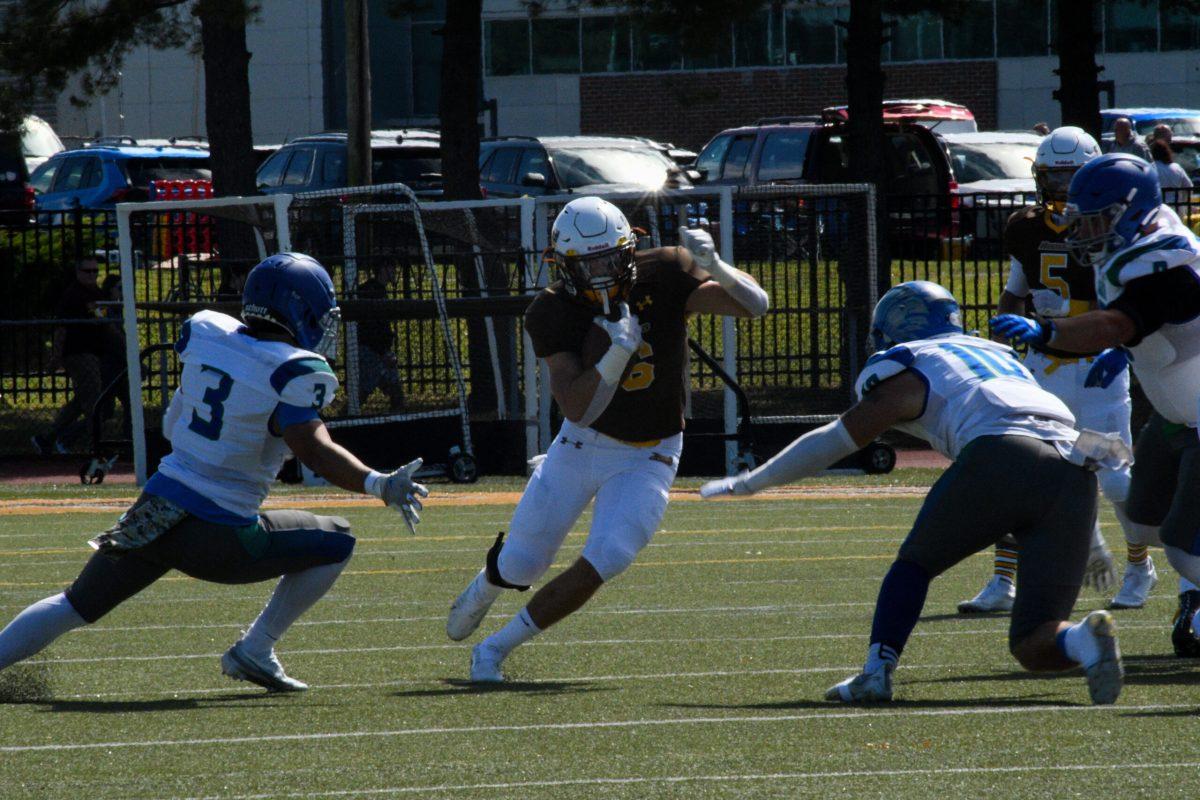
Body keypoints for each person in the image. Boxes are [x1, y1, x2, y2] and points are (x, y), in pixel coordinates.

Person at [0, 252, 430, 691]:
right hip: (220, 535)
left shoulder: (208, 333)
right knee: (337, 539)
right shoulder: (293, 370)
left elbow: (173, 421)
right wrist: (378, 483)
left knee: (73, 605)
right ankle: (256, 648)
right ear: (300, 310)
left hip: (153, 512)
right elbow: (315, 451)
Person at [703, 281, 1124, 706]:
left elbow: (838, 439)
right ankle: (1084, 640)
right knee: (1036, 643)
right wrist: (1088, 536)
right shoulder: (1001, 358)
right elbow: (1049, 440)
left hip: (1002, 453)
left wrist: (754, 481)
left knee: (915, 565)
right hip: (1077, 470)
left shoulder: (913, 362)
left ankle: (876, 673)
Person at [444, 196, 769, 682]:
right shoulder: (550, 311)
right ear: (563, 265)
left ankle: (495, 649)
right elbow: (577, 406)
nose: (599, 272)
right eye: (586, 262)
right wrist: (616, 354)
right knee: (522, 565)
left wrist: (716, 266)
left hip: (651, 451)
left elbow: (757, 307)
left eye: (608, 258)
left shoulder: (664, 273)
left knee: (611, 554)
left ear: (629, 248)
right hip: (582, 444)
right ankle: (489, 582)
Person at [992, 152, 1200, 658]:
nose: (1085, 231)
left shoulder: (1162, 262)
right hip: (1176, 415)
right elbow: (1144, 326)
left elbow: (1118, 321)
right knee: (1143, 518)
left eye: (1096, 219)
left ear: (1131, 210)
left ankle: (1194, 600)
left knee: (1181, 543)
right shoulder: (1141, 243)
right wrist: (1119, 351)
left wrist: (1049, 331)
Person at [959, 127, 1154, 614]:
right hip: (1041, 372)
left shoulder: (1114, 229)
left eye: (1071, 177)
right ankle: (1004, 580)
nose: (1062, 188)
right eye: (1054, 177)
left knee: (1111, 479)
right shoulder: (1025, 227)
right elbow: (1016, 289)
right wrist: (999, 341)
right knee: (1020, 473)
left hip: (1096, 372)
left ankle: (1138, 566)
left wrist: (1125, 349)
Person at [32, 258, 107, 454]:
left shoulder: (96, 293)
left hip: (93, 352)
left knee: (82, 399)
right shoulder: (73, 296)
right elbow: (61, 328)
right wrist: (57, 356)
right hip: (78, 353)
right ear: (78, 272)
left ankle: (47, 437)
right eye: (87, 271)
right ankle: (94, 445)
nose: (92, 275)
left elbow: (103, 320)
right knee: (92, 401)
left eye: (95, 271)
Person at [355, 261, 405, 410]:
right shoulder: (373, 291)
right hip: (373, 351)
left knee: (392, 389)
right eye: (391, 267)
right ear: (383, 269)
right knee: (367, 390)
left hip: (374, 349)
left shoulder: (374, 290)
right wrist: (383, 352)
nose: (395, 271)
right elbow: (374, 327)